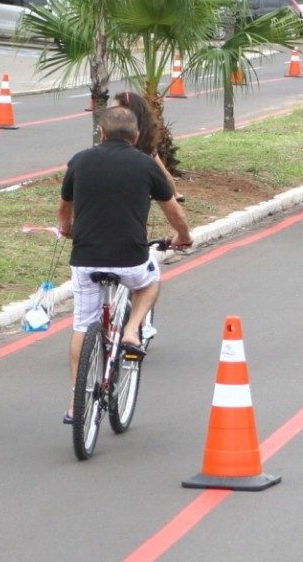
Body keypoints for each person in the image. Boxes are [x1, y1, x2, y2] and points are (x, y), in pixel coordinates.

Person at [58, 106, 193, 423]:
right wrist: (183, 236)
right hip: (130, 258)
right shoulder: (146, 165)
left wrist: (67, 230)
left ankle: (76, 403)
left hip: (86, 259)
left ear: (101, 134)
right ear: (135, 137)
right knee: (149, 282)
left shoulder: (80, 161)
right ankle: (132, 330)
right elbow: (174, 212)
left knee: (82, 324)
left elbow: (64, 207)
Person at [112, 91, 184, 202]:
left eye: (116, 110)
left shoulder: (136, 137)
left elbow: (163, 174)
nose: (111, 114)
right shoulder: (144, 132)